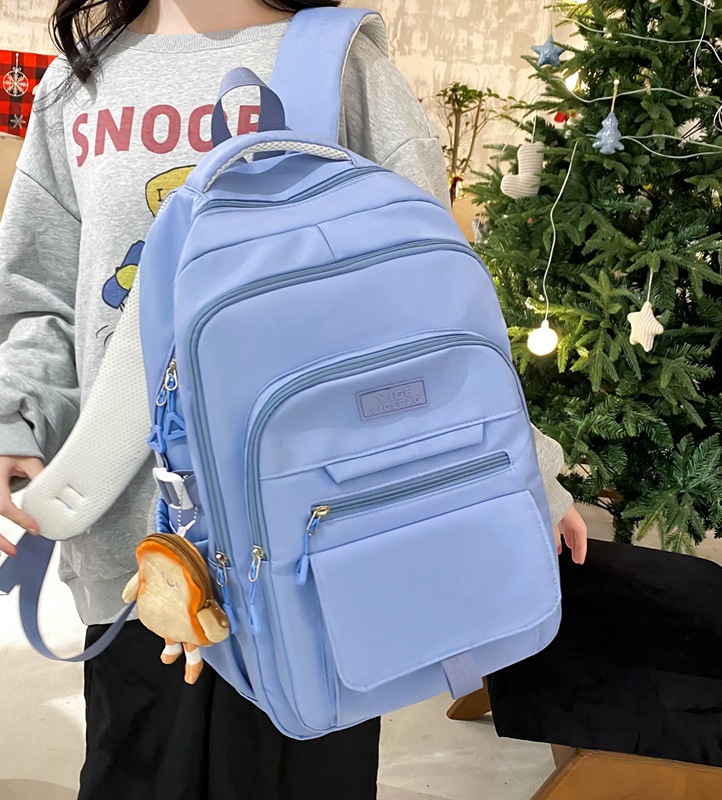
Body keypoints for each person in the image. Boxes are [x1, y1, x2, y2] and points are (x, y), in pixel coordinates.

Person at [0, 1, 589, 797]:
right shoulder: (80, 81)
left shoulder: (341, 65)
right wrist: (16, 418)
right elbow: (39, 293)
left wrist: (533, 472)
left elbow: (436, 296)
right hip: (139, 548)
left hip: (315, 538)